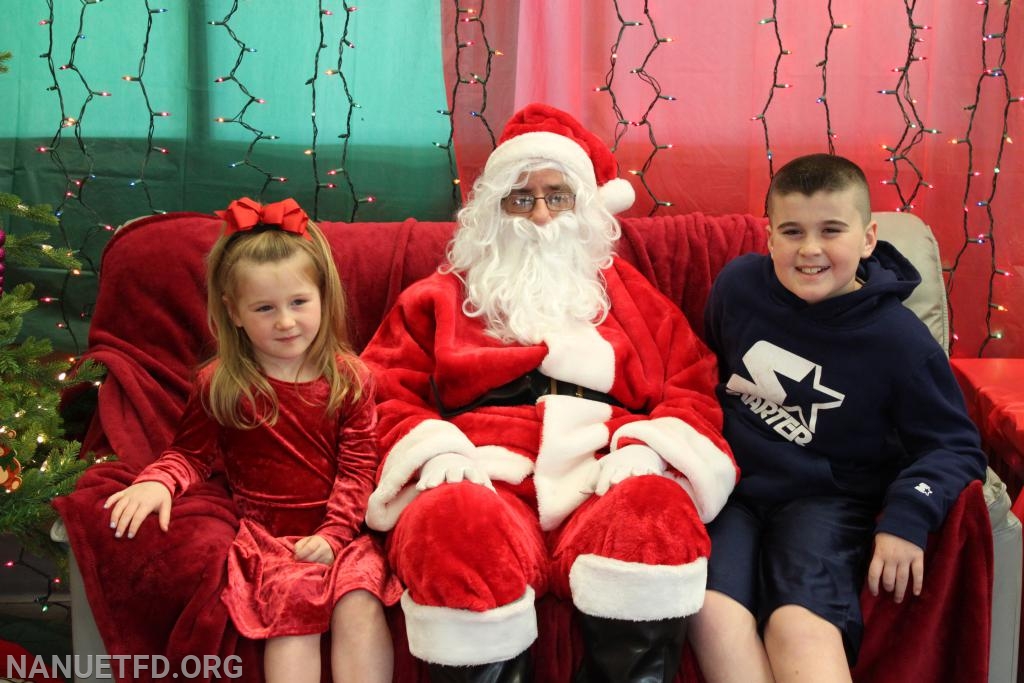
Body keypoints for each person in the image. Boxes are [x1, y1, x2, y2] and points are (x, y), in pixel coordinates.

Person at [360, 103, 738, 682]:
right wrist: (436, 450)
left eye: (557, 196)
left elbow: (691, 384)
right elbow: (381, 390)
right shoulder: (439, 296)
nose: (539, 214)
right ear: (493, 210)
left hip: (602, 470)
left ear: (584, 207)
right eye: (521, 197)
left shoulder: (628, 294)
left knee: (654, 513)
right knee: (451, 524)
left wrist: (650, 449)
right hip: (484, 472)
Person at [691, 153, 988, 682]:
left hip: (825, 501)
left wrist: (909, 514)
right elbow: (702, 369)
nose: (810, 249)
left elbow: (955, 444)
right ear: (770, 238)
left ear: (868, 237)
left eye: (831, 230)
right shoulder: (737, 287)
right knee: (710, 611)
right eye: (792, 231)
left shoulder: (900, 341)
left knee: (798, 626)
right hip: (730, 489)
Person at [103, 197, 401, 683]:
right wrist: (158, 481)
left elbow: (358, 466)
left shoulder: (350, 379)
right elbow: (190, 454)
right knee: (292, 618)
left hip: (344, 531)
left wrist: (334, 535)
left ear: (324, 298)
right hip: (271, 539)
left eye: (299, 303)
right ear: (234, 312)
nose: (285, 322)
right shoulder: (222, 382)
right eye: (265, 308)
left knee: (361, 603)